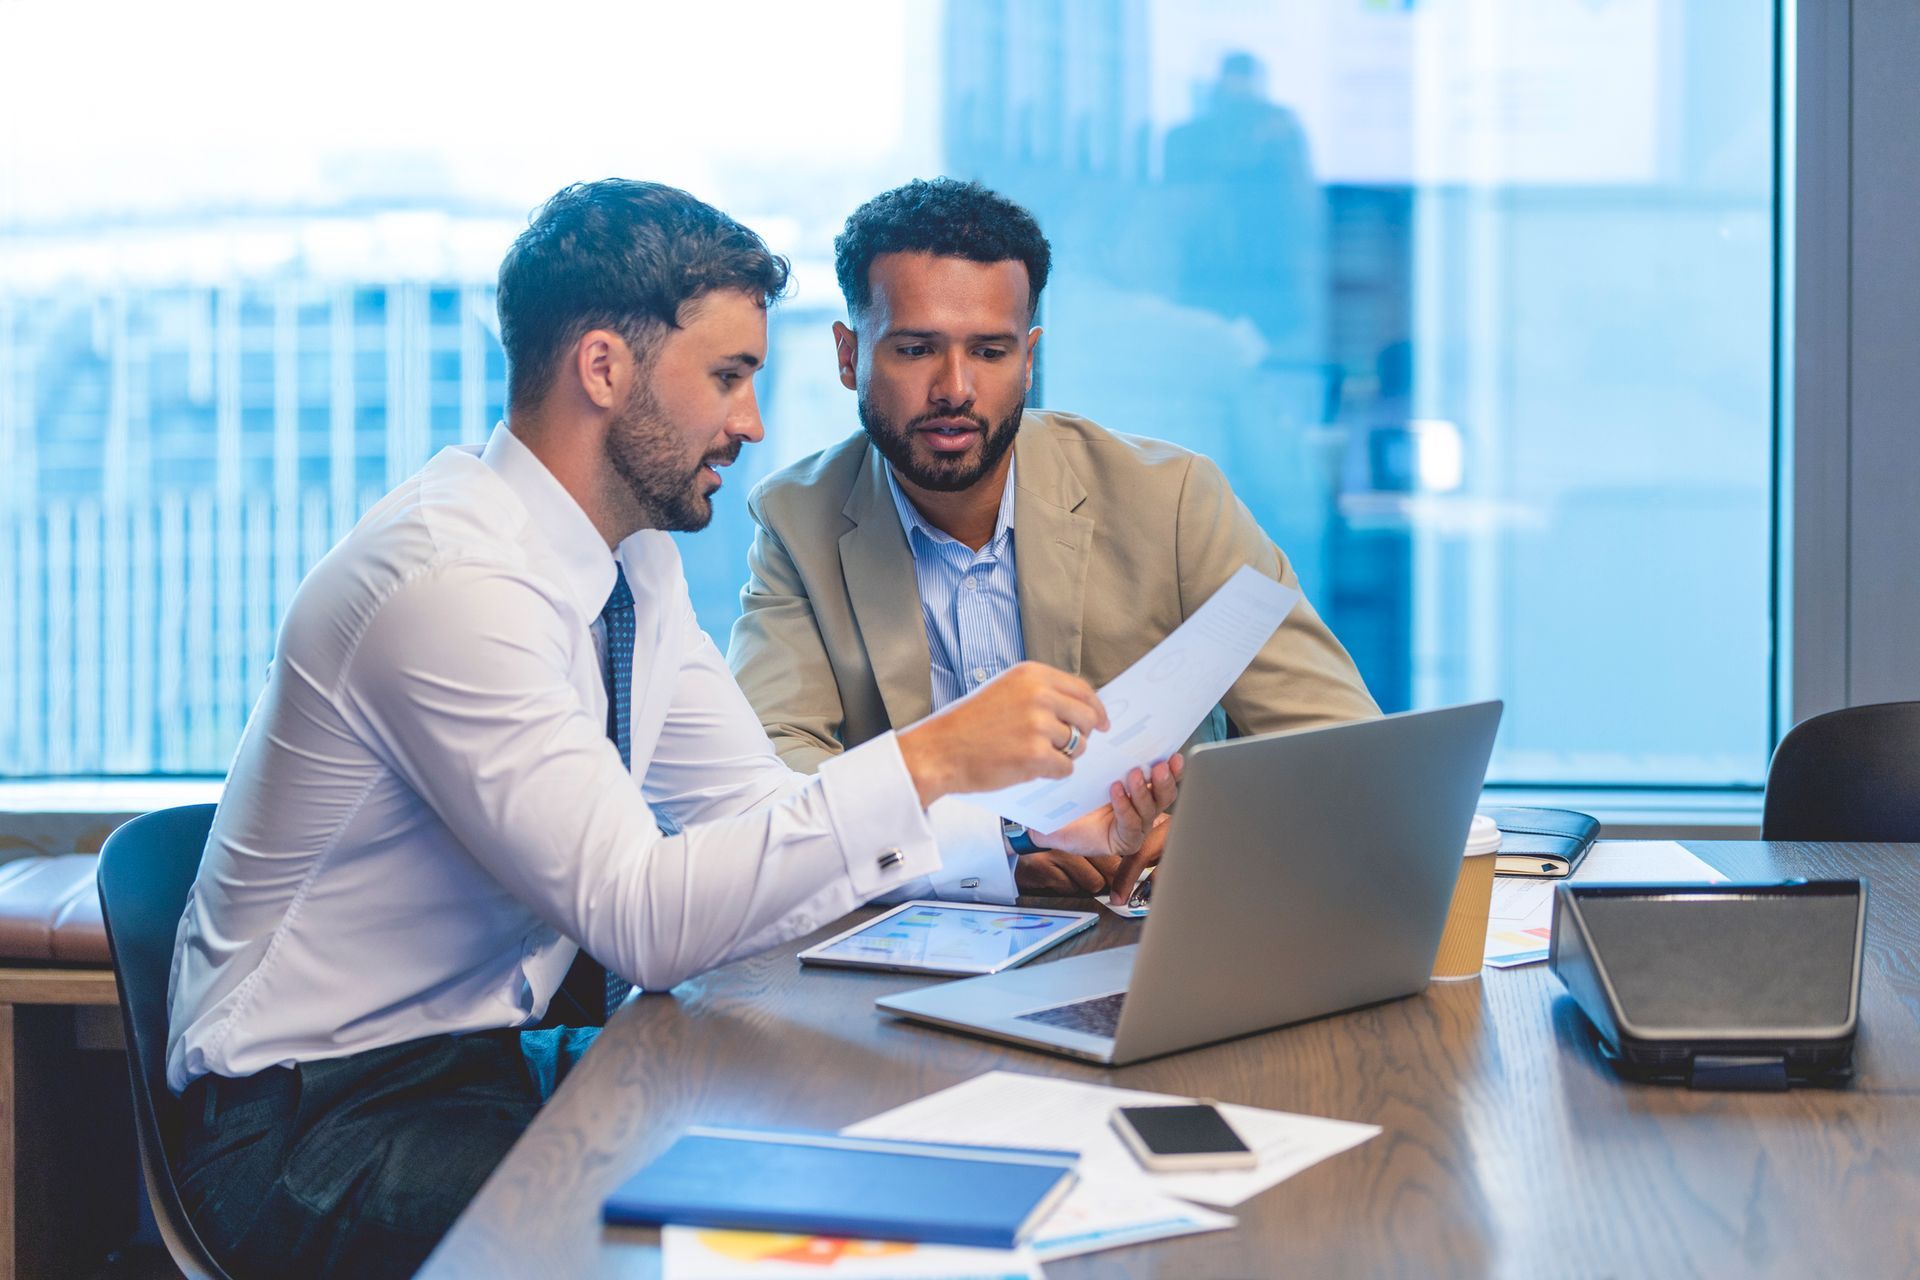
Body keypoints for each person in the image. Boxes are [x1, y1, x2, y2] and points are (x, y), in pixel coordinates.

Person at [164, 179, 1172, 1279]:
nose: (753, 421)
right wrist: (932, 757)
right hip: (313, 1133)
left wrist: (1018, 855)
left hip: (486, 1070)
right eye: (729, 376)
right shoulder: (449, 585)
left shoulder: (630, 562)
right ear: (604, 367)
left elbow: (756, 809)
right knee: (803, 1239)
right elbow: (641, 915)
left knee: (875, 1141)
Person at [727, 178, 1377, 904]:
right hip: (914, 954)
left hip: (1147, 929)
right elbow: (769, 782)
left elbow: (1342, 749)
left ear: (1029, 359)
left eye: (991, 351)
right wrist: (994, 852)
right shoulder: (797, 519)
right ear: (850, 356)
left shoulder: (1173, 502)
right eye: (915, 349)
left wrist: (1201, 832)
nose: (955, 388)